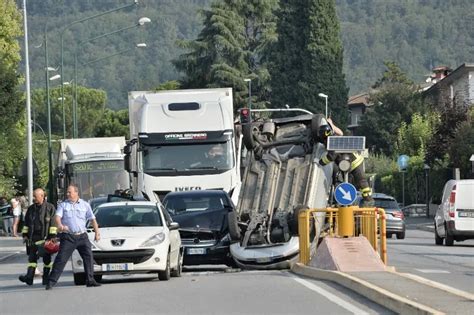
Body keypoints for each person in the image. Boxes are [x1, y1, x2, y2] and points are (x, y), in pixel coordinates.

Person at [46, 184, 101, 290]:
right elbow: (58, 217)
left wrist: (97, 232)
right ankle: (51, 282)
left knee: (89, 257)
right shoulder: (63, 205)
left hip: (82, 236)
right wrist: (60, 226)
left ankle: (90, 280)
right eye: (67, 192)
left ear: (76, 193)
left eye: (69, 192)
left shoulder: (85, 205)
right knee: (61, 259)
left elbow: (92, 219)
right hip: (68, 237)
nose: (67, 194)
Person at [318, 117, 374, 206]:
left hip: (355, 163)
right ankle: (347, 203)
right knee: (346, 183)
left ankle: (368, 200)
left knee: (361, 181)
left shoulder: (334, 142)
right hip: (347, 165)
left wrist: (320, 162)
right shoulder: (331, 139)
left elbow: (331, 156)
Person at [19, 188, 57, 285]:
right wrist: (25, 235)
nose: (33, 198)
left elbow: (53, 224)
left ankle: (46, 278)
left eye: (35, 196)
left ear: (42, 196)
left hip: (45, 238)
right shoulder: (31, 209)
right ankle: (29, 278)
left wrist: (51, 237)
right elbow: (26, 223)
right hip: (33, 238)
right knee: (32, 259)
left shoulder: (50, 207)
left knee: (47, 260)